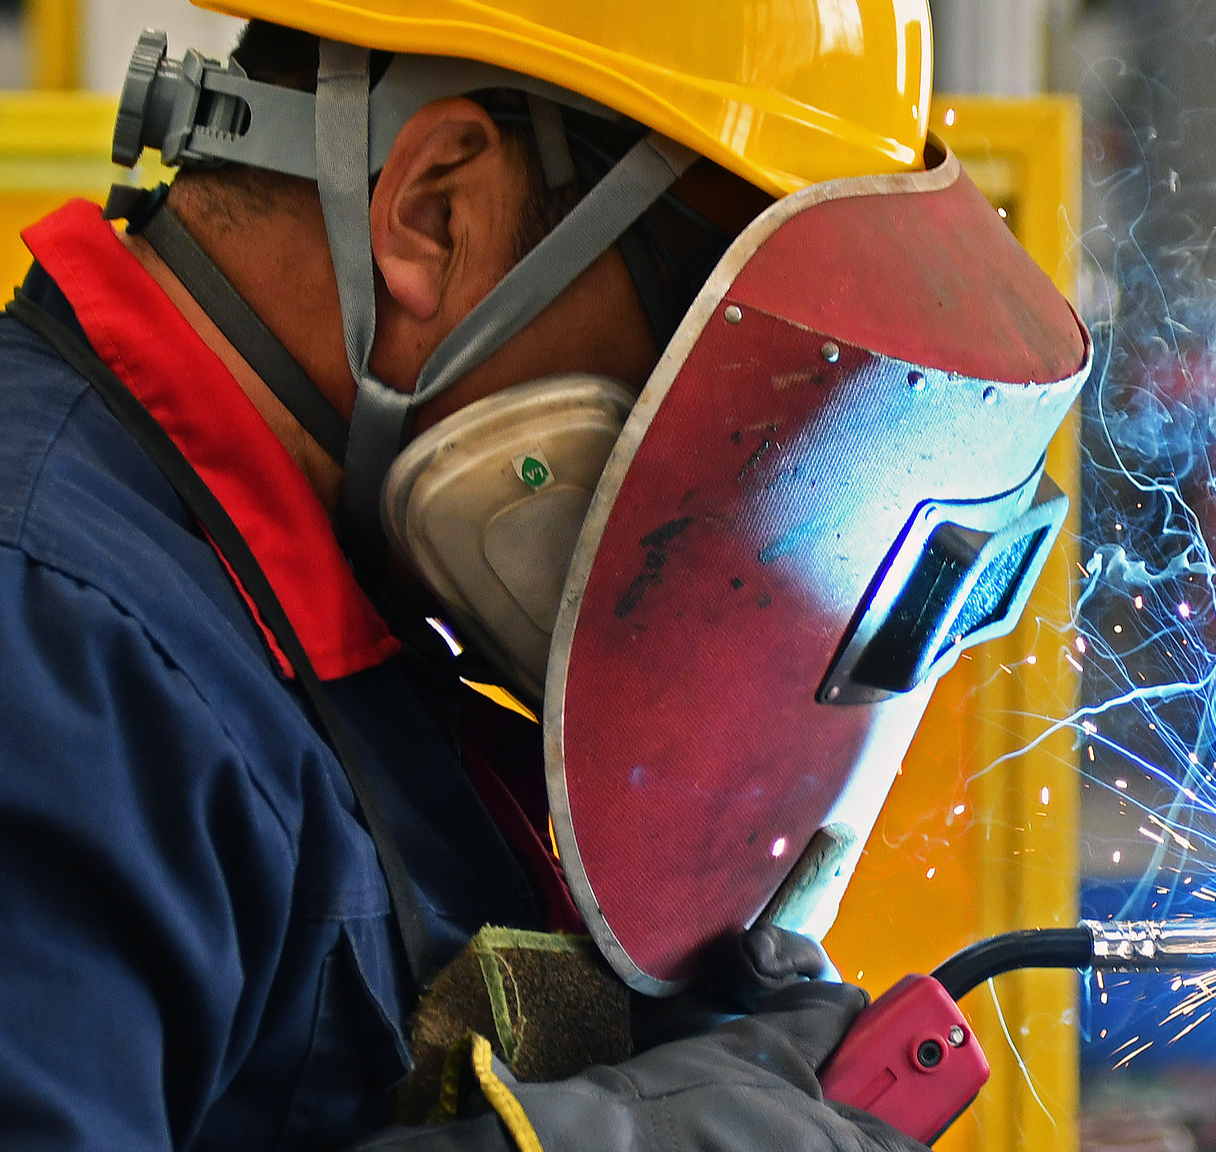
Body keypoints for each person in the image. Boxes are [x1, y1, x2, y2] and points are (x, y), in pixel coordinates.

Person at [0, 2, 1086, 1149]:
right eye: (715, 330)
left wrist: (640, 1072)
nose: (747, 455)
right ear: (436, 213)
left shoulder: (344, 633)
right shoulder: (56, 645)